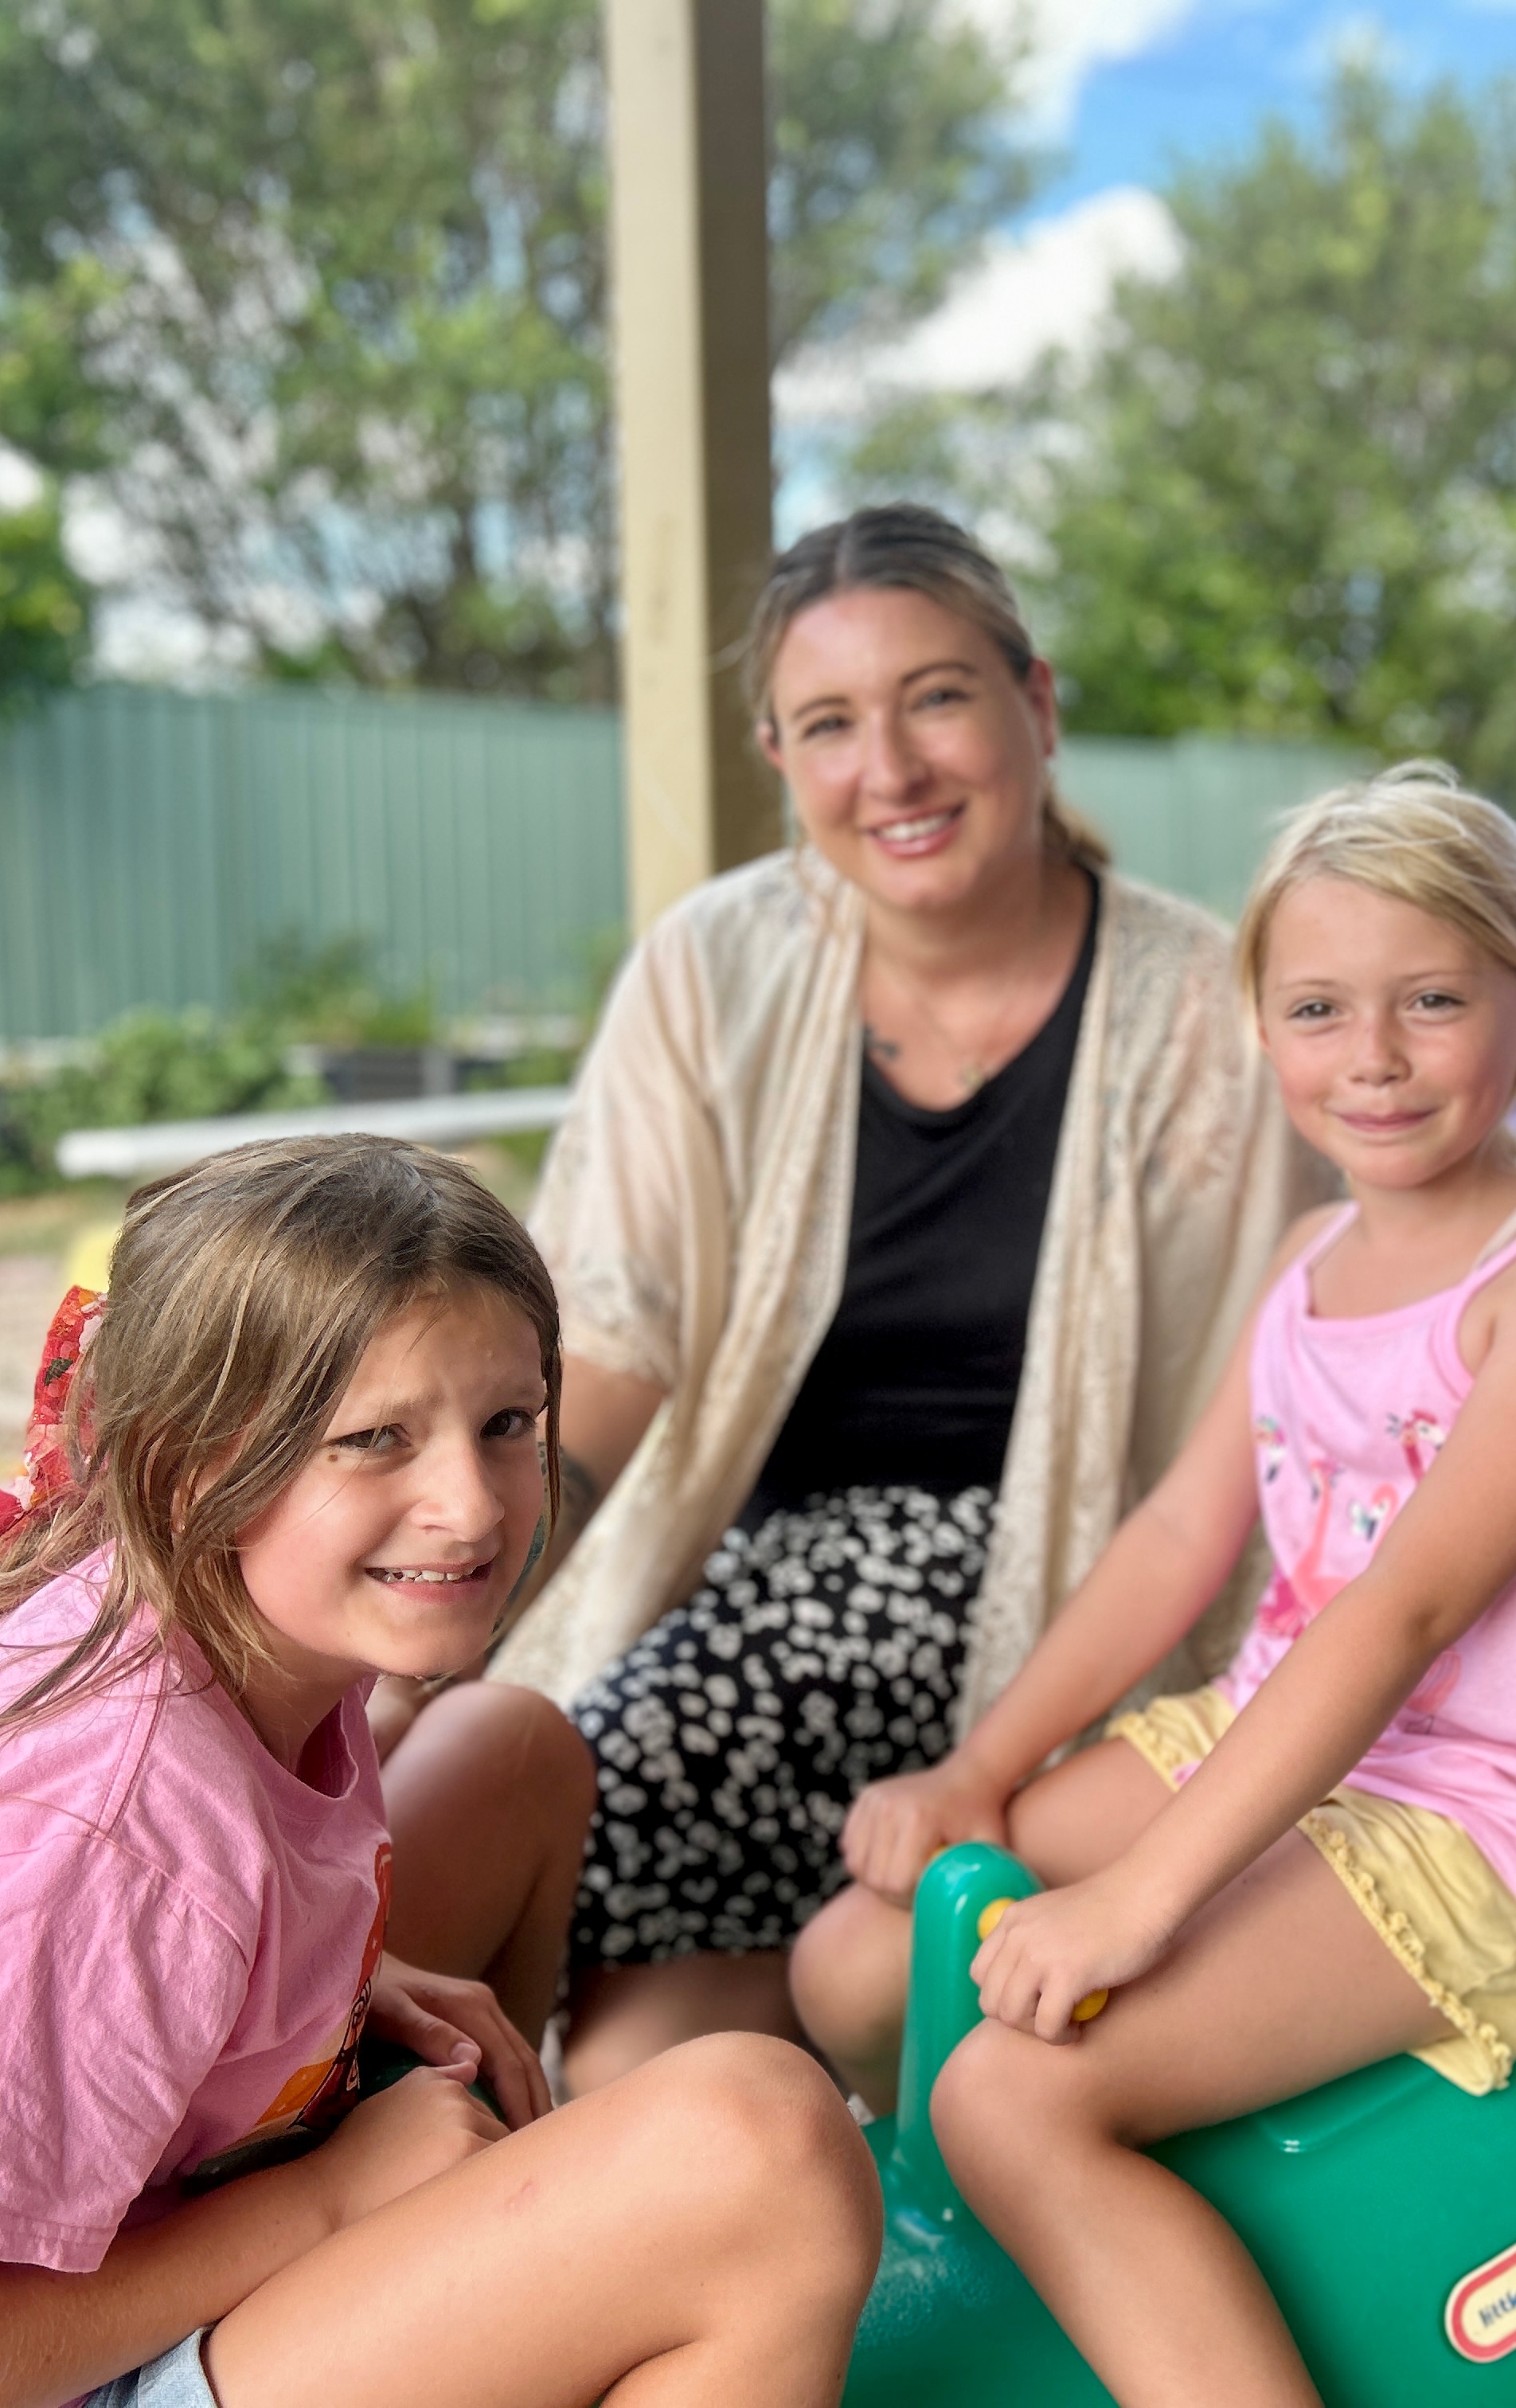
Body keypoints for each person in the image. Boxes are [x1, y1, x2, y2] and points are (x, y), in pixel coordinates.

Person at [0, 1137, 878, 2408]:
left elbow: (191, 1920)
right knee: (763, 2150)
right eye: (376, 1439)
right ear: (194, 1466)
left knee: (508, 1753)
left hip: (139, 2232)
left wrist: (339, 1984)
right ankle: (541, 2290)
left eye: (506, 1423)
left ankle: (513, 2298)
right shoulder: (95, 1831)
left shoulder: (240, 1620)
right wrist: (329, 2197)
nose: (469, 1506)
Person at [790, 768, 1516, 2406]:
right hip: (1274, 1733)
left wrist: (1144, 1898)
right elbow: (1177, 1544)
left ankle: (1082, 2208)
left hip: (1480, 1814)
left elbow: (1401, 1615)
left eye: (1432, 1001)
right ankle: (1034, 2263)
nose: (1378, 1057)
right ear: (1265, 1028)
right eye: (1323, 1008)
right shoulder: (1305, 1267)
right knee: (855, 1962)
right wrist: (984, 1773)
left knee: (1011, 2095)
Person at [417, 503, 1319, 2093]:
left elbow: (1276, 1407)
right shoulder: (716, 967)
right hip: (750, 1575)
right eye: (829, 724)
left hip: (1069, 1585)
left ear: (1036, 705)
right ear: (779, 755)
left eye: (938, 698)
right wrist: (457, 1586)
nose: (888, 770)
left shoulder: (1205, 1010)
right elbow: (610, 1337)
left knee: (628, 1782)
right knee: (607, 2020)